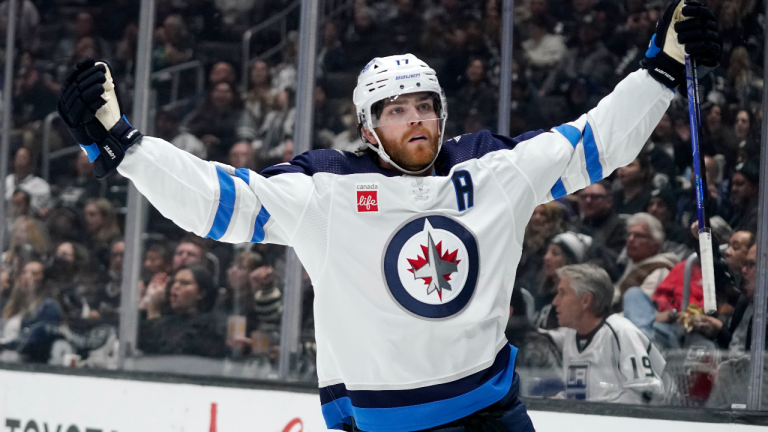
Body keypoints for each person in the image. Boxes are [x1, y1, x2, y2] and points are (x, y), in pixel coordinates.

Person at [57, 2, 720, 428]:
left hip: (492, 416)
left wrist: (660, 69)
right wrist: (127, 150)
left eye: (424, 106)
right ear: (369, 127)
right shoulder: (327, 189)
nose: (415, 121)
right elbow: (222, 203)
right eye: (396, 110)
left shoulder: (491, 170)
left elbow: (597, 141)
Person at [545, 264, 666, 403]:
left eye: (563, 293)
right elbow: (581, 396)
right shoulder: (571, 335)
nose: (555, 302)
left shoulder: (622, 333)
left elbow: (647, 394)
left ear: (586, 300)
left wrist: (601, 413)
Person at [139, 265, 227, 358]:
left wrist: (153, 310)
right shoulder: (168, 319)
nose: (176, 286)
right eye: (174, 282)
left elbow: (172, 354)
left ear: (201, 293)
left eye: (185, 283)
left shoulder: (212, 325)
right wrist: (143, 306)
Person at [615, 213, 678, 302]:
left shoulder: (660, 270)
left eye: (639, 235)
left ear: (655, 243)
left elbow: (639, 309)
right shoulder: (634, 262)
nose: (630, 239)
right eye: (629, 234)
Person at [574, 181, 627, 257]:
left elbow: (612, 260)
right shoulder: (576, 223)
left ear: (609, 201)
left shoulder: (620, 228)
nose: (588, 201)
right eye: (584, 196)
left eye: (595, 197)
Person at [4, 147, 51, 214]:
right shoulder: (6, 181)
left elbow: (43, 211)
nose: (19, 161)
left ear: (31, 163)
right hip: (6, 222)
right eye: (17, 157)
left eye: (23, 158)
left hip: (30, 221)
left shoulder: (42, 186)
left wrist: (25, 199)